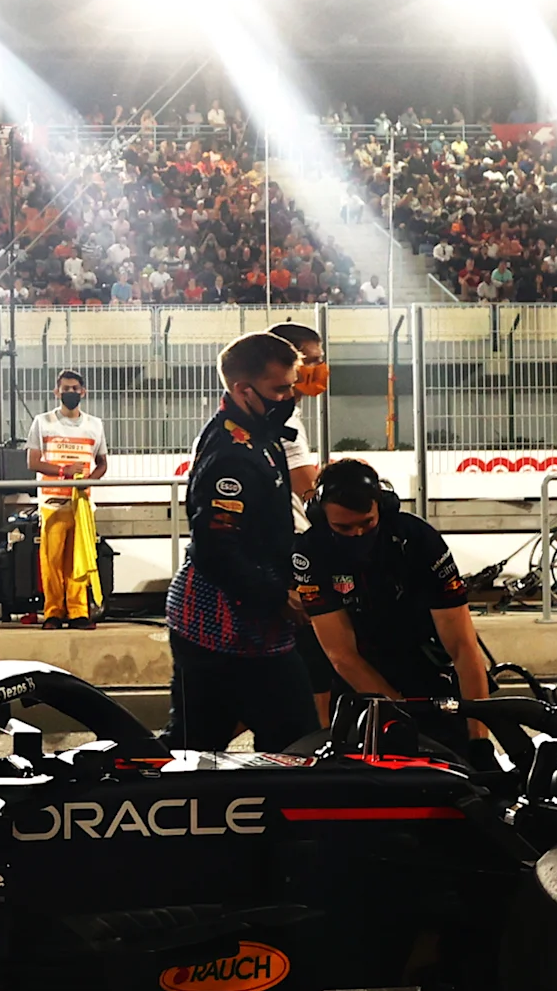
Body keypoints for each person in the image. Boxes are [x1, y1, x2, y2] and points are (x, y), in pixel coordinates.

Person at [164, 333, 311, 752]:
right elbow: (217, 549)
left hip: (253, 616)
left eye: (291, 385)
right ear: (243, 390)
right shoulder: (232, 452)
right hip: (219, 622)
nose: (290, 396)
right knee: (199, 750)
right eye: (280, 389)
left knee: (280, 738)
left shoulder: (261, 435)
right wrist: (278, 596)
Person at [291, 457, 491, 728]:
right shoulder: (310, 552)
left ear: (382, 507)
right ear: (320, 516)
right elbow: (342, 655)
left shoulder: (419, 540)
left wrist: (479, 738)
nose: (357, 534)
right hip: (359, 680)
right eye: (344, 528)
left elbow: (463, 647)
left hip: (426, 667)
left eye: (367, 523)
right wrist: (404, 719)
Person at [28, 369, 109, 628]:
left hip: (81, 506)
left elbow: (102, 463)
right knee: (51, 563)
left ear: (83, 392)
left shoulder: (95, 425)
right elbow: (32, 462)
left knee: (79, 559)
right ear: (56, 391)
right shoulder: (42, 422)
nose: (70, 392)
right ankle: (53, 612)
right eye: (65, 388)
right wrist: (63, 472)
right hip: (52, 503)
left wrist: (88, 482)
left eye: (75, 388)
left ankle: (78, 613)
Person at [270, 321, 329, 505]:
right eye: (311, 361)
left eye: (321, 360)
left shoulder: (281, 416)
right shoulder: (283, 425)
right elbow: (312, 496)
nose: (321, 369)